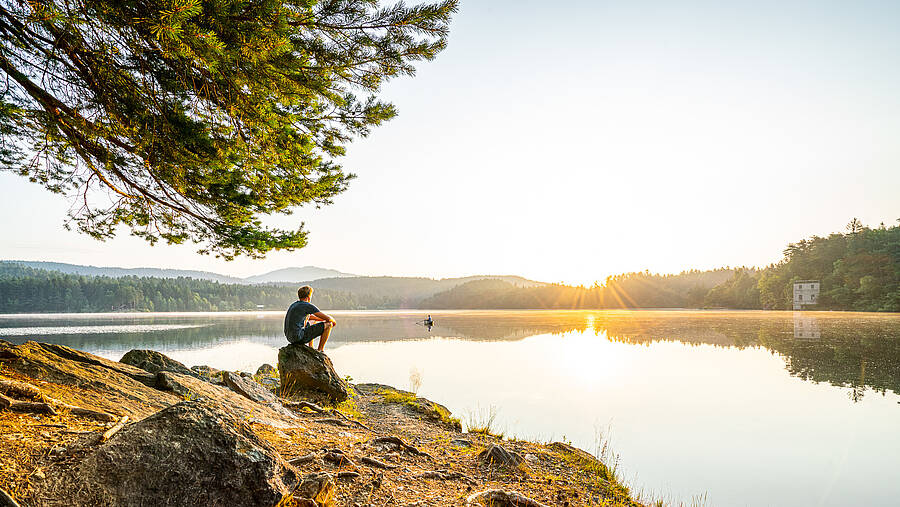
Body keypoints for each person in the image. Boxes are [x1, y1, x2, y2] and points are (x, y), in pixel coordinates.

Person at [283, 285, 336, 352]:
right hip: (298, 338)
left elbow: (309, 317)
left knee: (312, 321)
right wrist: (332, 321)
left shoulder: (294, 305)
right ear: (309, 297)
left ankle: (311, 347)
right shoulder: (307, 305)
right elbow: (329, 319)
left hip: (290, 338)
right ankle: (320, 350)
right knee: (329, 324)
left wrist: (320, 319)